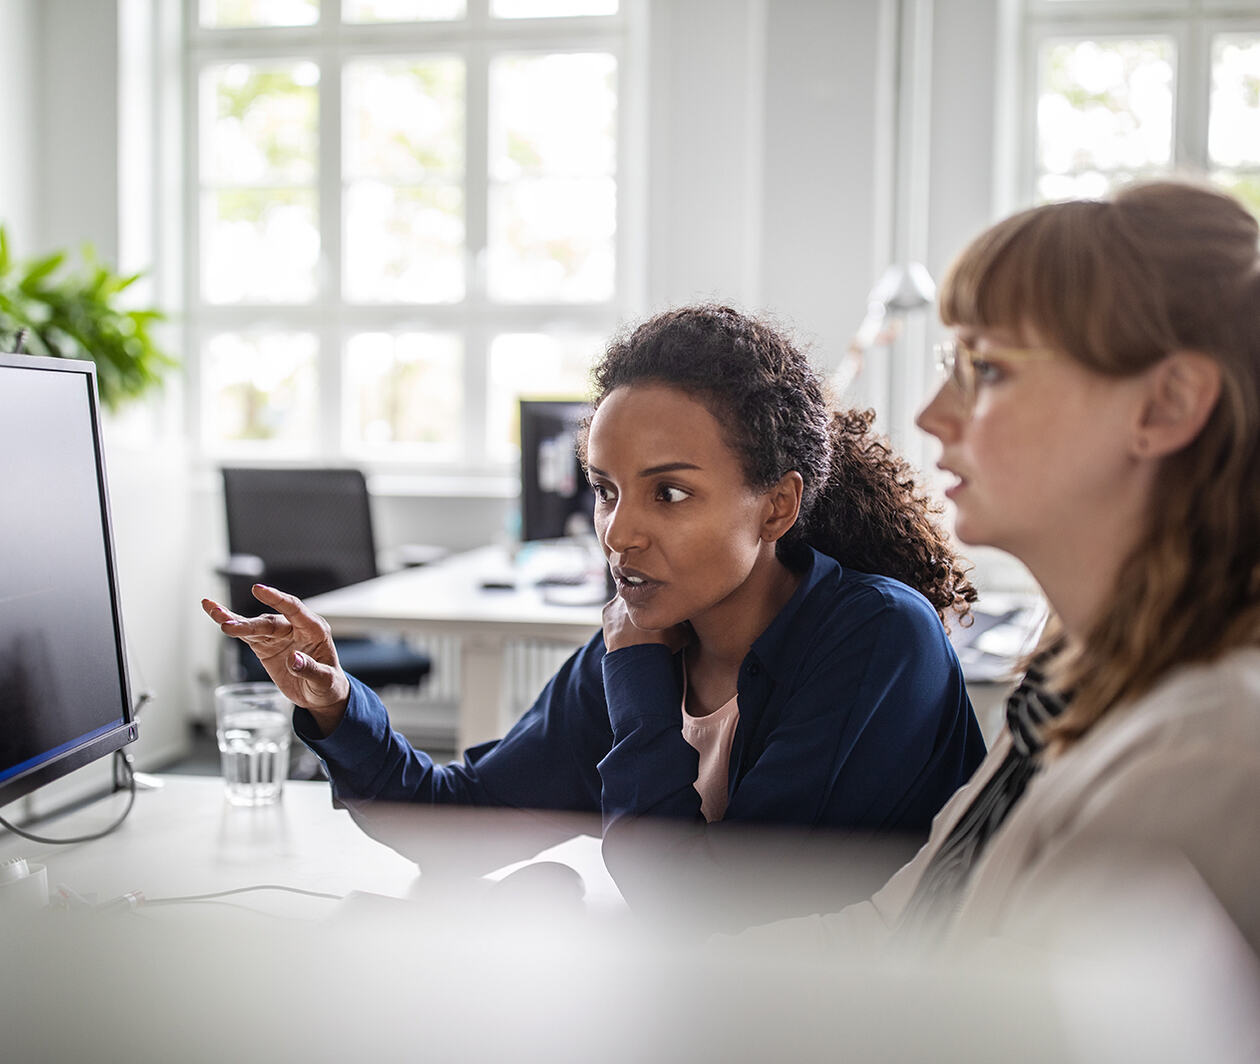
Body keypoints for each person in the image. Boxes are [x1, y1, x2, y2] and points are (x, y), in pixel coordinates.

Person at [202, 304, 985, 919]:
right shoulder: (640, 644)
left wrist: (639, 677)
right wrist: (336, 705)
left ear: (777, 506)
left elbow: (710, 909)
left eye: (669, 493)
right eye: (606, 490)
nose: (618, 532)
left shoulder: (878, 637)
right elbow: (456, 825)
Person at [740, 180, 1260, 957]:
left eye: (985, 369)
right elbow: (904, 927)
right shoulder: (1069, 678)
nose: (927, 417)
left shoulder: (1212, 751)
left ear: (1166, 405)